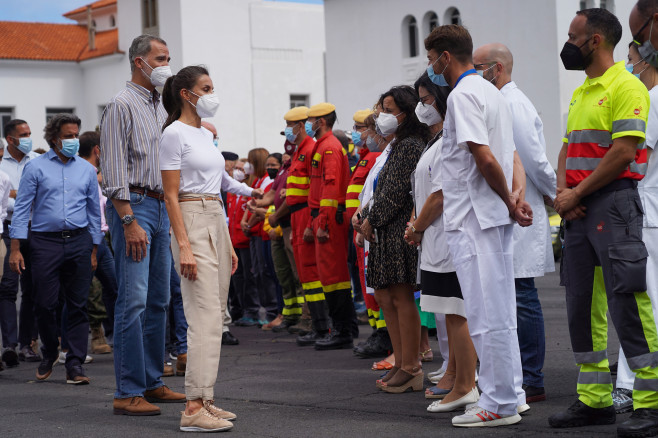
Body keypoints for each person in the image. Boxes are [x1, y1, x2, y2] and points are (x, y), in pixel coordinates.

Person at [548, 9, 658, 436]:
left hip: (612, 205)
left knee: (628, 303)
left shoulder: (626, 85)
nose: (568, 42)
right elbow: (566, 150)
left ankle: (650, 402)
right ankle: (595, 401)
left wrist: (577, 193)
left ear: (595, 40)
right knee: (581, 307)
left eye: (574, 35)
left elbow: (625, 151)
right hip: (580, 210)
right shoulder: (581, 92)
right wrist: (564, 194)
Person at [424, 24, 533, 427]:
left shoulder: (464, 95)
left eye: (431, 58)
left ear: (445, 57)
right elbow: (512, 155)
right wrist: (516, 196)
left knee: (486, 315)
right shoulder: (491, 91)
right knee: (499, 311)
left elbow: (484, 156)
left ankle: (499, 402)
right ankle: (511, 394)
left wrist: (509, 199)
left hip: (474, 217)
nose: (431, 67)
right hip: (491, 216)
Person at [160, 65, 262, 432]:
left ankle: (205, 399)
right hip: (190, 215)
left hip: (214, 218)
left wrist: (231, 239)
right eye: (206, 87)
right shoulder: (173, 134)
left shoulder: (203, 133)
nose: (212, 93)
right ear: (186, 94)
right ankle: (192, 408)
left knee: (215, 313)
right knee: (202, 315)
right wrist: (184, 245)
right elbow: (170, 195)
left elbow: (218, 183)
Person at [101, 34, 185, 416]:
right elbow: (114, 168)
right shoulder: (121, 105)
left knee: (158, 299)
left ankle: (152, 382)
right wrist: (128, 219)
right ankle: (127, 390)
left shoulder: (160, 105)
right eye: (161, 58)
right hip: (132, 205)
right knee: (132, 300)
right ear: (140, 62)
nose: (167, 64)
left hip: (159, 205)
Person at [473, 43, 557, 405]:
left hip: (522, 207)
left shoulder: (511, 103)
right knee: (514, 296)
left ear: (497, 68)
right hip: (513, 207)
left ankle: (533, 379)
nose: (472, 74)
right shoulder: (500, 101)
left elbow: (532, 160)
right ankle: (522, 375)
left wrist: (559, 195)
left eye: (477, 67)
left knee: (522, 295)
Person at [403, 73, 479, 412]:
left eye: (427, 99)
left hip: (446, 234)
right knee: (449, 313)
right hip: (433, 236)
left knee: (457, 312)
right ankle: (455, 376)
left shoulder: (451, 136)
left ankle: (466, 384)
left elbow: (441, 193)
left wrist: (417, 226)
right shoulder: (439, 138)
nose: (422, 106)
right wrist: (418, 224)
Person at [9, 113, 102, 384]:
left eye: (76, 135)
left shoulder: (86, 169)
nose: (73, 140)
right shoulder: (36, 167)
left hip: (79, 241)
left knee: (77, 305)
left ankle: (74, 364)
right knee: (45, 303)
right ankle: (49, 351)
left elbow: (94, 212)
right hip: (44, 242)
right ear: (53, 138)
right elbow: (23, 207)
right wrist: (15, 248)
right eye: (68, 136)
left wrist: (94, 248)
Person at [359, 86, 429, 394]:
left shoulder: (412, 144)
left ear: (407, 111)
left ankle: (411, 366)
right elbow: (379, 188)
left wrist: (370, 220)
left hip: (397, 229)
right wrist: (365, 216)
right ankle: (400, 362)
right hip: (382, 230)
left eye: (389, 110)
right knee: (386, 297)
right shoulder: (398, 144)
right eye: (382, 109)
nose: (382, 116)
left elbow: (397, 191)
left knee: (401, 298)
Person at [613, 41, 658, 415]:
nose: (629, 67)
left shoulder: (651, 100)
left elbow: (636, 160)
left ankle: (631, 385)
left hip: (647, 214)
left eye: (630, 61)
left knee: (643, 303)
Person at [306, 102, 356, 350]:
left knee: (334, 276)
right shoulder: (323, 146)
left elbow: (331, 187)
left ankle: (343, 330)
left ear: (321, 122)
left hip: (330, 219)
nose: (308, 124)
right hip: (322, 217)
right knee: (329, 275)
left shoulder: (329, 148)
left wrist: (322, 222)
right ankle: (345, 327)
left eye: (310, 120)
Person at [281, 106, 328, 341]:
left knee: (311, 272)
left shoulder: (309, 149)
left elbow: (314, 190)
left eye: (290, 125)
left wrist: (311, 222)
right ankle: (314, 323)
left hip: (305, 215)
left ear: (301, 126)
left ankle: (318, 324)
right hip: (296, 217)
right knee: (304, 272)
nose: (288, 130)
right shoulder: (301, 149)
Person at [349, 109, 391, 359]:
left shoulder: (375, 155)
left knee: (374, 286)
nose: (358, 133)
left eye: (361, 128)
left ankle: (383, 333)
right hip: (360, 226)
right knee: (367, 285)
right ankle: (378, 330)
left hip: (369, 227)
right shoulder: (367, 156)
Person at [248, 150, 304, 332]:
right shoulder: (283, 172)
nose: (271, 168)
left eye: (274, 164)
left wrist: (274, 216)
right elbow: (273, 195)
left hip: (288, 226)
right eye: (268, 165)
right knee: (283, 275)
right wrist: (258, 203)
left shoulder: (296, 167)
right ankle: (291, 314)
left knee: (299, 275)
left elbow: (293, 197)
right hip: (278, 226)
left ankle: (306, 317)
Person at [0, 119, 40, 365]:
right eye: (23, 134)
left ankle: (28, 343)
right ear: (10, 139)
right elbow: (4, 202)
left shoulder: (37, 160)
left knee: (33, 288)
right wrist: (22, 195)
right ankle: (10, 345)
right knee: (7, 287)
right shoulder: (1, 165)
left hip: (35, 228)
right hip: (7, 228)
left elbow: (41, 194)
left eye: (29, 133)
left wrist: (16, 194)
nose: (28, 138)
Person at [78, 131, 117, 355]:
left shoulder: (95, 173)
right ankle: (73, 344)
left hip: (101, 238)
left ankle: (114, 333)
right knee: (83, 292)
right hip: (85, 239)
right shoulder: (84, 173)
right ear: (97, 150)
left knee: (114, 287)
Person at [238, 148, 278, 326]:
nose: (247, 167)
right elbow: (252, 205)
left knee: (266, 272)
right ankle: (269, 311)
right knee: (258, 273)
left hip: (263, 232)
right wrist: (246, 221)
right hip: (255, 233)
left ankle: (272, 311)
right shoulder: (260, 181)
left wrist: (249, 222)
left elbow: (262, 205)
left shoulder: (268, 181)